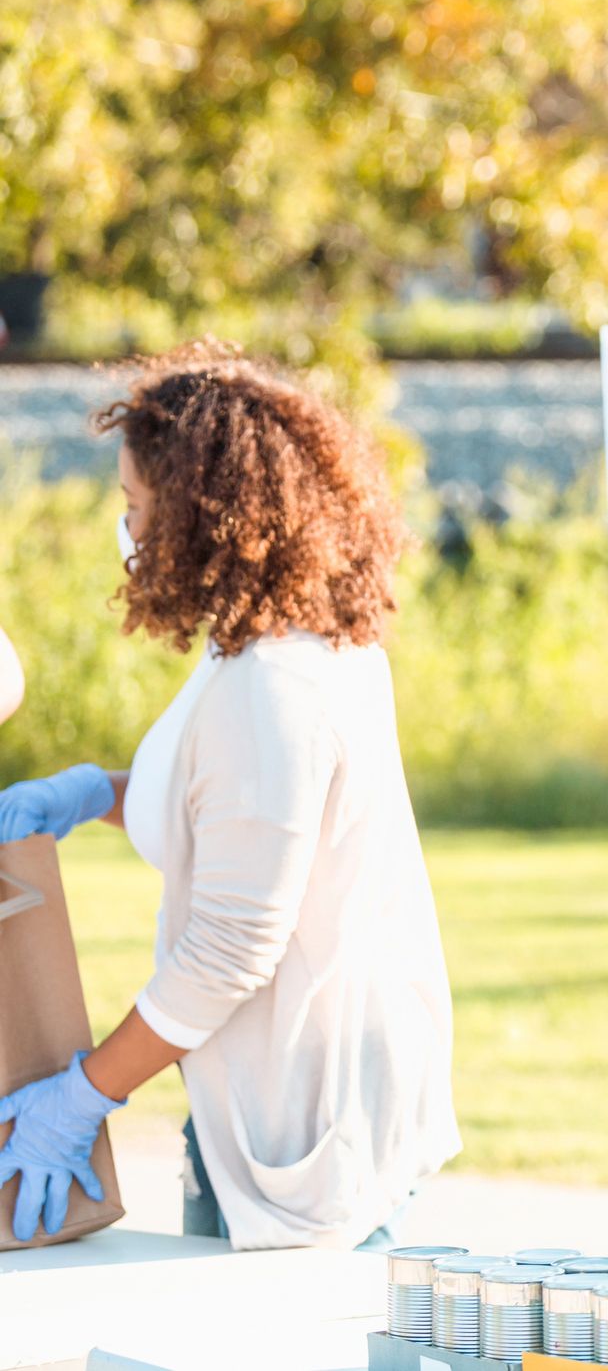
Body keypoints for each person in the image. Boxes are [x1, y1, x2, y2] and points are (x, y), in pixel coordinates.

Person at [0, 343, 460, 1249]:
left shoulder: (276, 686)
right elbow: (237, 817)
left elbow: (229, 948)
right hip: (263, 1095)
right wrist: (97, 796)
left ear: (198, 515)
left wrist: (85, 1092)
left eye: (135, 505)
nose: (126, 527)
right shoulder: (274, 646)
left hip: (311, 1118)